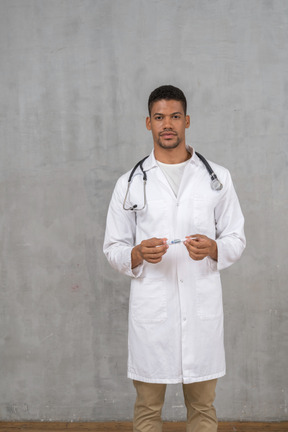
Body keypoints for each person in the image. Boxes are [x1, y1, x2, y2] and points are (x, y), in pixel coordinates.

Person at [103, 85, 246, 432]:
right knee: (148, 409)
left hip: (200, 311)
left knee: (203, 407)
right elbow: (113, 247)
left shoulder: (218, 178)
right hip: (154, 312)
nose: (168, 124)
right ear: (148, 123)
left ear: (187, 121)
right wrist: (136, 254)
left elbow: (236, 237)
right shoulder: (130, 183)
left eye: (175, 116)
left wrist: (214, 249)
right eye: (159, 117)